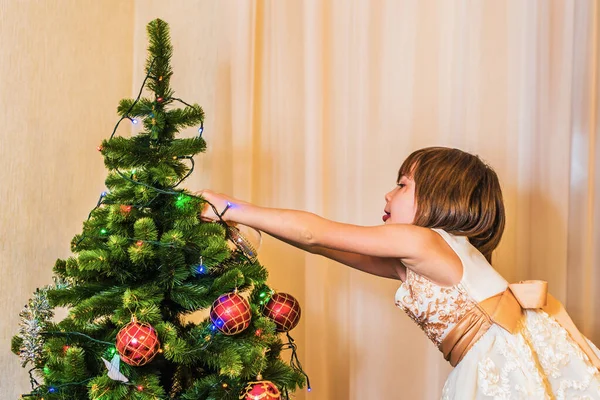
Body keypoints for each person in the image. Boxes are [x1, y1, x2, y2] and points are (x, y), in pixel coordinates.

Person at [199, 146, 600, 398]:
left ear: (441, 197)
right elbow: (319, 243)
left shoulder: (422, 241)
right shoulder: (425, 256)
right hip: (494, 357)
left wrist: (230, 206)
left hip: (502, 364)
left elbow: (315, 230)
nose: (388, 195)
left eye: (402, 185)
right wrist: (250, 222)